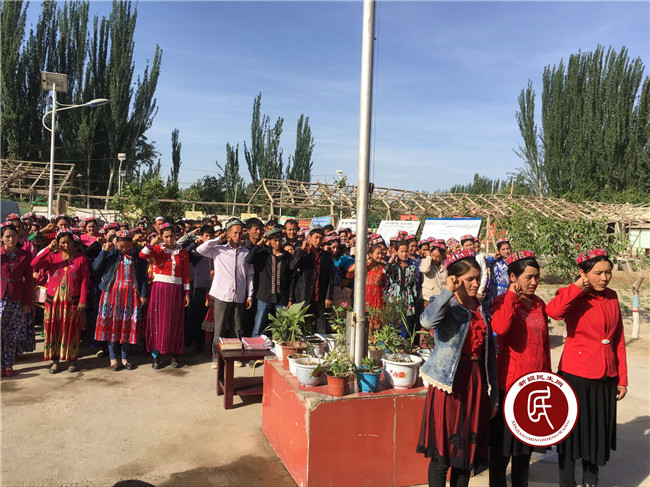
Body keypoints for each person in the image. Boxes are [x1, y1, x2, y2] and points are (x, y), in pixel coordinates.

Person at [546, 249, 628, 487]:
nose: (605, 278)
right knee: (571, 435)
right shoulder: (571, 295)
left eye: (608, 272)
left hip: (606, 376)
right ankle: (567, 482)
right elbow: (553, 312)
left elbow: (618, 339)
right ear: (583, 273)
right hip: (576, 375)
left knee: (596, 433)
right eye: (598, 273)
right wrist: (577, 287)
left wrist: (622, 378)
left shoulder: (612, 296)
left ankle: (591, 481)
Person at [418, 250, 498, 487]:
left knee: (465, 455)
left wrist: (493, 395)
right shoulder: (445, 303)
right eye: (470, 279)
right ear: (455, 279)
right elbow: (427, 321)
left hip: (474, 382)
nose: (475, 283)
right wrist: (447, 291)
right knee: (442, 455)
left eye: (478, 278)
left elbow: (489, 353)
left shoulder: (482, 307)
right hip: (448, 383)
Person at [488, 251, 551, 487]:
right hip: (509, 385)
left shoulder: (539, 304)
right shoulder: (501, 302)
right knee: (502, 449)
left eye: (537, 277)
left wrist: (547, 377)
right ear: (513, 277)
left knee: (524, 451)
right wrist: (510, 297)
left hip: (533, 388)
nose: (534, 282)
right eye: (528, 277)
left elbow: (544, 345)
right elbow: (500, 328)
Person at [32, 229, 90, 373]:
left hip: (72, 302)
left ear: (73, 242)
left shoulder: (81, 259)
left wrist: (82, 300)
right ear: (57, 243)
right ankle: (55, 361)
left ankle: (72, 360)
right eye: (62, 243)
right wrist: (49, 249)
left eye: (68, 242)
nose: (66, 245)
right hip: (53, 302)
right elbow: (35, 263)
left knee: (71, 331)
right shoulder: (52, 257)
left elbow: (84, 281)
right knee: (53, 331)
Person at [196, 219, 253, 365]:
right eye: (235, 233)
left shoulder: (246, 253)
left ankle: (234, 357)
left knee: (237, 329)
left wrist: (250, 295)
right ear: (228, 233)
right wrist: (217, 239)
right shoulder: (218, 250)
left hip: (239, 295)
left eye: (240, 233)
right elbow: (200, 250)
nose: (237, 236)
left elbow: (249, 275)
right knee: (219, 329)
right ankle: (217, 358)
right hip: (222, 294)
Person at [93, 230, 149, 371]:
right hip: (111, 293)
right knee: (112, 325)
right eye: (121, 246)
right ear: (116, 242)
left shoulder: (137, 254)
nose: (124, 249)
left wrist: (143, 294)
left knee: (127, 325)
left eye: (128, 246)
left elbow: (142, 276)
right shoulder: (110, 252)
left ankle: (124, 357)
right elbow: (95, 268)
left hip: (131, 293)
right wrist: (104, 252)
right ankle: (113, 358)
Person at [139, 223, 190, 369]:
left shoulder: (182, 252)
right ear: (161, 237)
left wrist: (187, 293)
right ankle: (156, 355)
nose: (169, 239)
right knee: (158, 322)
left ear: (175, 236)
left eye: (171, 236)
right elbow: (142, 255)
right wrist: (153, 242)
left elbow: (185, 274)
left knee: (175, 322)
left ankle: (174, 355)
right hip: (160, 289)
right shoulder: (157, 249)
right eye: (165, 236)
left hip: (176, 290)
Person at [0, 223, 34, 377]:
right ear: (2, 238)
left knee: (11, 334)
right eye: (7, 236)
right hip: (1, 297)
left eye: (13, 235)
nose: (11, 239)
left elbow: (29, 281)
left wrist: (27, 302)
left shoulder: (25, 255)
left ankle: (8, 365)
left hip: (17, 298)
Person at [246, 227, 293, 338]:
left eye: (280, 240)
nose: (278, 243)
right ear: (270, 241)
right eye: (275, 240)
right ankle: (255, 346)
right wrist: (259, 244)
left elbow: (291, 278)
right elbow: (248, 259)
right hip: (264, 296)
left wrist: (290, 299)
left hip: (281, 298)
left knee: (281, 328)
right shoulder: (263, 254)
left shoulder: (287, 256)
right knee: (258, 327)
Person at [290, 225, 334, 334]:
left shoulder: (326, 256)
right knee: (303, 329)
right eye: (316, 238)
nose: (318, 241)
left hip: (320, 297)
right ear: (309, 238)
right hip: (304, 296)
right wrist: (302, 249)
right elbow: (292, 266)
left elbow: (330, 278)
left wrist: (328, 296)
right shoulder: (303, 253)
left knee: (322, 328)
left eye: (320, 238)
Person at [346, 236, 387, 330]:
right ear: (370, 254)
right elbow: (350, 271)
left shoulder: (383, 267)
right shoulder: (365, 265)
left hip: (377, 298)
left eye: (381, 253)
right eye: (377, 253)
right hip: (365, 296)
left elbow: (384, 283)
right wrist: (363, 260)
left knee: (377, 322)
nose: (380, 256)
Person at [386, 238, 419, 338]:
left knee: (406, 323)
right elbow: (385, 271)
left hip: (407, 296)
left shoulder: (412, 267)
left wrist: (414, 297)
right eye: (401, 251)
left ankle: (403, 342)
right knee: (393, 321)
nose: (404, 254)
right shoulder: (392, 266)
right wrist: (392, 258)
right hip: (394, 295)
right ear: (396, 252)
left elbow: (413, 284)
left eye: (406, 251)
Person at [485, 238, 512, 309]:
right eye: (503, 249)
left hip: (506, 291)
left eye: (508, 248)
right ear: (498, 250)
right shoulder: (494, 261)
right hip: (492, 291)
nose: (506, 251)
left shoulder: (512, 262)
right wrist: (493, 255)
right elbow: (484, 264)